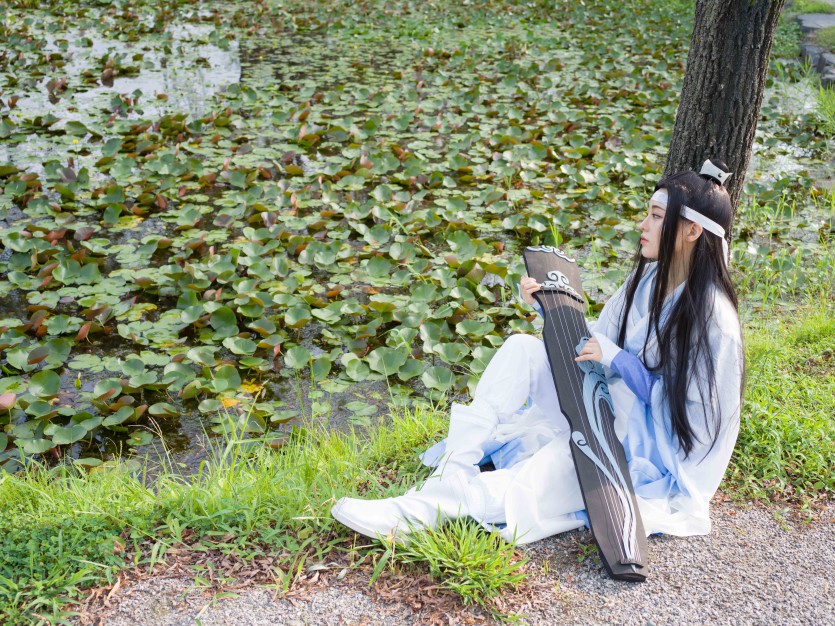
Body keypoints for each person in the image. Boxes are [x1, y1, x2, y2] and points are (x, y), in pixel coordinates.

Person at [331, 159, 744, 545]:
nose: (643, 224)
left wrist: (619, 361)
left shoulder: (715, 320)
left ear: (691, 231)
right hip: (605, 403)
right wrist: (547, 306)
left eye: (655, 216)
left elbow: (695, 425)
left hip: (646, 448)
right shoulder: (648, 277)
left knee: (545, 473)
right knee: (521, 349)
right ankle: (451, 469)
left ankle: (416, 512)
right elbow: (595, 345)